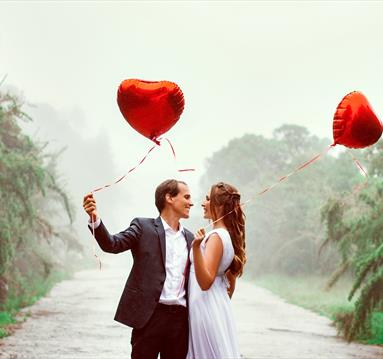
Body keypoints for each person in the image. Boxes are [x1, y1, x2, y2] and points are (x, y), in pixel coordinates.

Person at [82, 179, 194, 359]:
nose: (191, 202)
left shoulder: (190, 238)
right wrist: (94, 219)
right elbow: (112, 244)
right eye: (186, 197)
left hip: (180, 322)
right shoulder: (144, 227)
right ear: (169, 198)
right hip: (149, 318)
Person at [187, 182, 246, 359]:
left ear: (219, 205)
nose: (203, 203)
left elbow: (205, 282)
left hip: (204, 306)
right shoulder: (226, 235)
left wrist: (196, 248)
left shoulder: (216, 237)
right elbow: (230, 285)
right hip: (214, 304)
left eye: (207, 199)